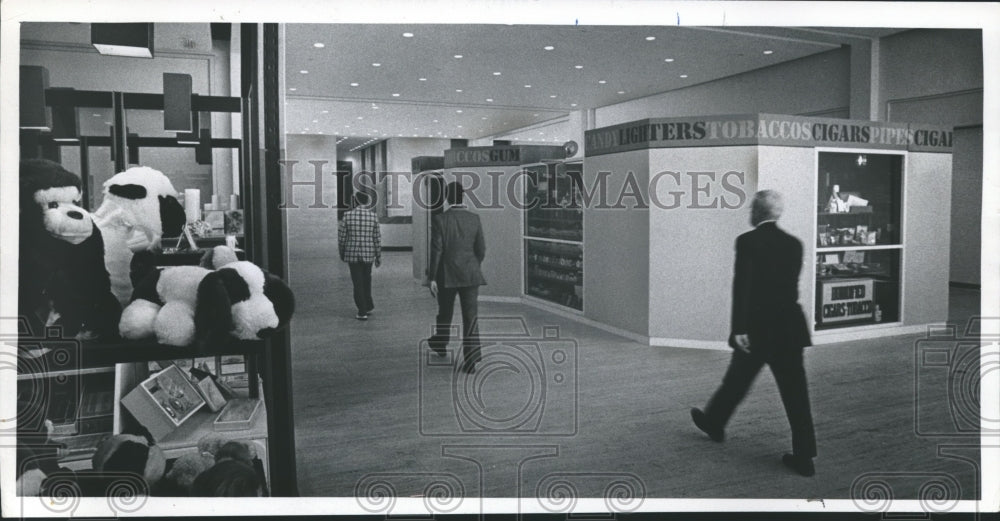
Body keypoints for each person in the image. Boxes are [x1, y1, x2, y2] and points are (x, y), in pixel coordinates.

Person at [690, 189, 818, 477]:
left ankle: (714, 422)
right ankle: (805, 457)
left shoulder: (747, 241)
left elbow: (743, 286)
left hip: (759, 328)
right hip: (789, 328)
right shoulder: (794, 244)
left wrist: (738, 329)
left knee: (736, 380)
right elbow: (788, 287)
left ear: (756, 212)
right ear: (777, 213)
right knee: (796, 393)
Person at [425, 181, 486, 373]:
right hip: (470, 275)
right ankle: (471, 361)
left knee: (445, 313)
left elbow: (437, 251)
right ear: (463, 197)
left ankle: (440, 343)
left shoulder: (440, 219)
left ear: (447, 197)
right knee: (471, 317)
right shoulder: (474, 219)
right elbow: (481, 249)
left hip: (447, 275)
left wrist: (432, 277)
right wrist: (472, 265)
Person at [338, 191, 381, 320]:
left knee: (357, 282)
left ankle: (362, 311)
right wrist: (378, 256)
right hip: (369, 254)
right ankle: (368, 305)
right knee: (367, 280)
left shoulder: (347, 216)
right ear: (367, 202)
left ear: (355, 201)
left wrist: (342, 252)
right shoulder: (373, 217)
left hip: (352, 254)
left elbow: (342, 238)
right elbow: (377, 238)